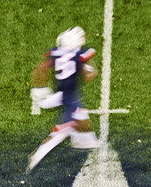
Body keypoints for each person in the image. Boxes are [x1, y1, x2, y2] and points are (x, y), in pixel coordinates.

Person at [27, 26, 100, 172]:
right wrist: (88, 69)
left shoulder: (56, 52)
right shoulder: (79, 55)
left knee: (80, 113)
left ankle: (85, 140)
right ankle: (38, 154)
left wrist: (37, 87)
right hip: (68, 95)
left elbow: (42, 68)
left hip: (61, 91)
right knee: (64, 129)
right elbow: (89, 75)